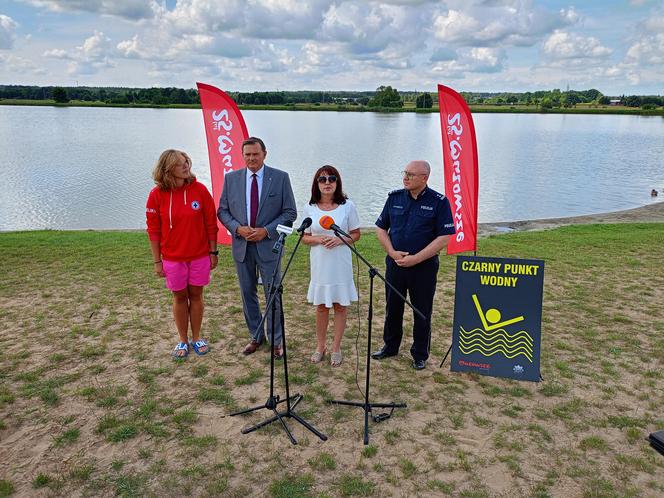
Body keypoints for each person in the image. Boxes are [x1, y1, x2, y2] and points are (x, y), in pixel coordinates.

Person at [218, 137, 297, 359]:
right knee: (247, 292)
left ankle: (276, 340)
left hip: (268, 246)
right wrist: (237, 228)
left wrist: (266, 230)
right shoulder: (232, 179)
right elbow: (222, 211)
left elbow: (290, 212)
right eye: (247, 155)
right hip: (242, 246)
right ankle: (255, 335)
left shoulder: (280, 178)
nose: (252, 158)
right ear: (242, 155)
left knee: (272, 293)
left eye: (256, 154)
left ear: (264, 153)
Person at [372, 160, 455, 370]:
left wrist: (417, 258)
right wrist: (391, 252)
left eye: (411, 174)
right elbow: (381, 228)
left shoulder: (439, 202)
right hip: (396, 264)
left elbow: (444, 237)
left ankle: (419, 354)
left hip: (423, 268)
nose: (406, 177)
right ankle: (390, 346)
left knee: (422, 310)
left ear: (425, 178)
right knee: (393, 307)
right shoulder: (395, 198)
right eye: (405, 173)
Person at [146, 149, 219, 359]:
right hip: (172, 259)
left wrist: (213, 251)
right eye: (180, 164)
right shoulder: (156, 194)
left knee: (196, 296)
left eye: (186, 161)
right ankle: (183, 340)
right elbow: (153, 230)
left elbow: (211, 224)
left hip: (199, 256)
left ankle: (197, 338)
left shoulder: (200, 190)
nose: (186, 165)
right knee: (179, 297)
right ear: (168, 169)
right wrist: (157, 261)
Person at [302, 166, 361, 366]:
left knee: (340, 306)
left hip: (340, 262)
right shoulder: (310, 207)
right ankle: (320, 346)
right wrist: (318, 238)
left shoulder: (348, 206)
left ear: (337, 182)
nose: (327, 183)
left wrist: (340, 240)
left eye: (332, 178)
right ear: (316, 183)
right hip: (320, 263)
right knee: (321, 307)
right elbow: (305, 237)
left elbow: (356, 234)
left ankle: (336, 347)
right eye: (322, 179)